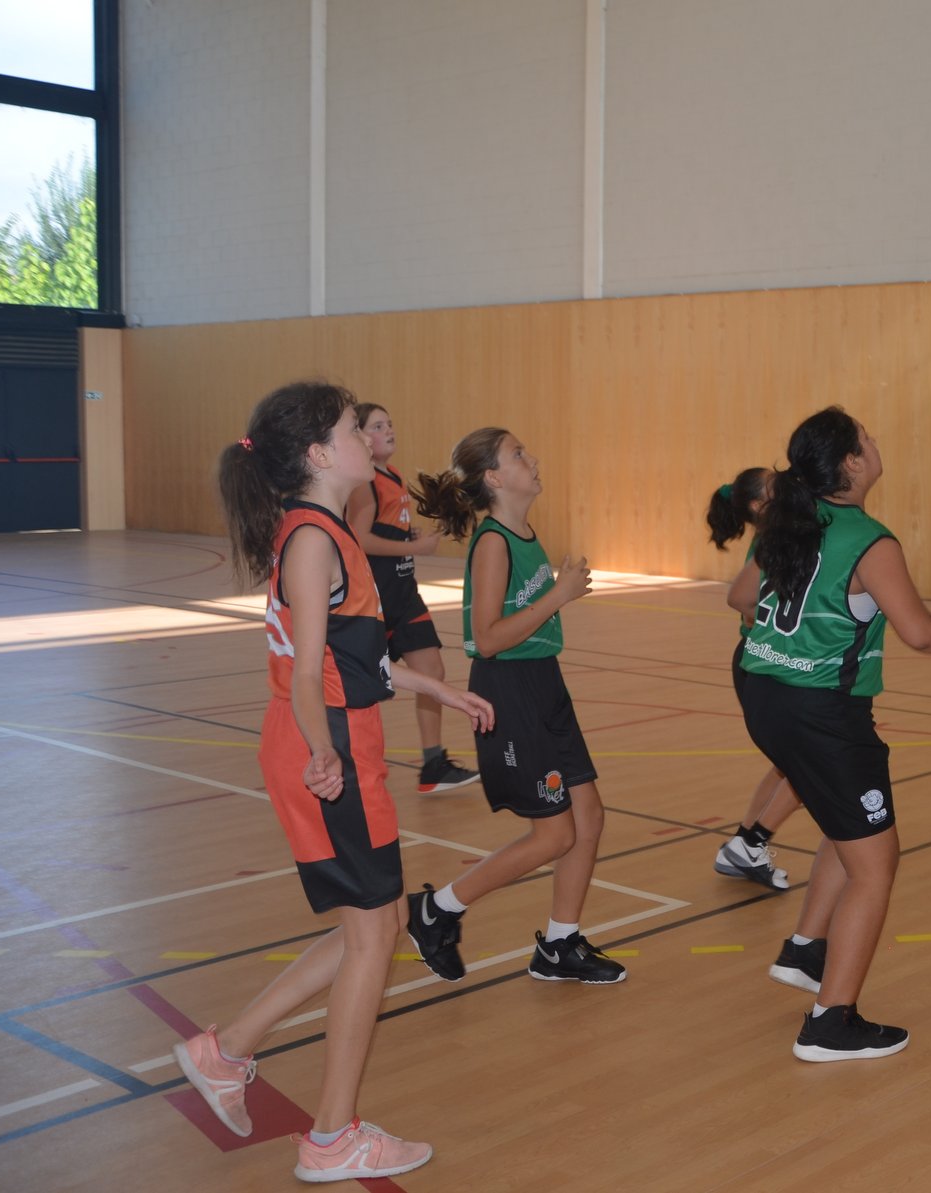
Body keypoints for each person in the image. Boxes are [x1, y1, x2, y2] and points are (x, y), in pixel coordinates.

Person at [177, 381, 492, 1183]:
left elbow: (358, 662)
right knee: (373, 938)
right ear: (320, 453)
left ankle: (227, 1051)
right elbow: (309, 672)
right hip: (327, 751)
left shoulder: (323, 531)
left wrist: (438, 688)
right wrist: (324, 753)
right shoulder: (314, 538)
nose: (368, 438)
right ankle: (330, 1137)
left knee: (377, 925)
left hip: (339, 742)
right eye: (356, 427)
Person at [731, 407, 931, 1060]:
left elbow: (741, 598)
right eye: (867, 440)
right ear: (851, 462)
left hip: (761, 690)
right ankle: (830, 1023)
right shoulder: (869, 540)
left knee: (844, 824)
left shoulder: (787, 520)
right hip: (820, 710)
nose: (876, 445)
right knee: (877, 865)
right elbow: (922, 632)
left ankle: (806, 949)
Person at [404, 428, 628, 985]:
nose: (533, 459)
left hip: (544, 682)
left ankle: (559, 945)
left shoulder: (525, 534)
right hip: (507, 690)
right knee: (554, 835)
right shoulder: (494, 543)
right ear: (494, 478)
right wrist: (558, 595)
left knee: (588, 818)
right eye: (518, 454)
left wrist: (556, 595)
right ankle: (436, 910)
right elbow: (486, 638)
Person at [344, 402, 479, 793]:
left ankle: (433, 764)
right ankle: (343, 761)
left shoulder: (394, 475)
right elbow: (359, 539)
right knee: (360, 685)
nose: (388, 430)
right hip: (375, 599)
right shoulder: (365, 482)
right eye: (377, 426)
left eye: (389, 424)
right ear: (359, 436)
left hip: (405, 595)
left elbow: (383, 531)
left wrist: (408, 537)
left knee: (432, 670)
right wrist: (414, 548)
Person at [706, 467, 802, 891]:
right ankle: (750, 843)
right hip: (761, 664)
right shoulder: (772, 541)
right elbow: (744, 602)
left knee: (789, 765)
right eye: (772, 484)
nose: (783, 482)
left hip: (762, 663)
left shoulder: (779, 534)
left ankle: (744, 845)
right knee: (807, 766)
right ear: (759, 505)